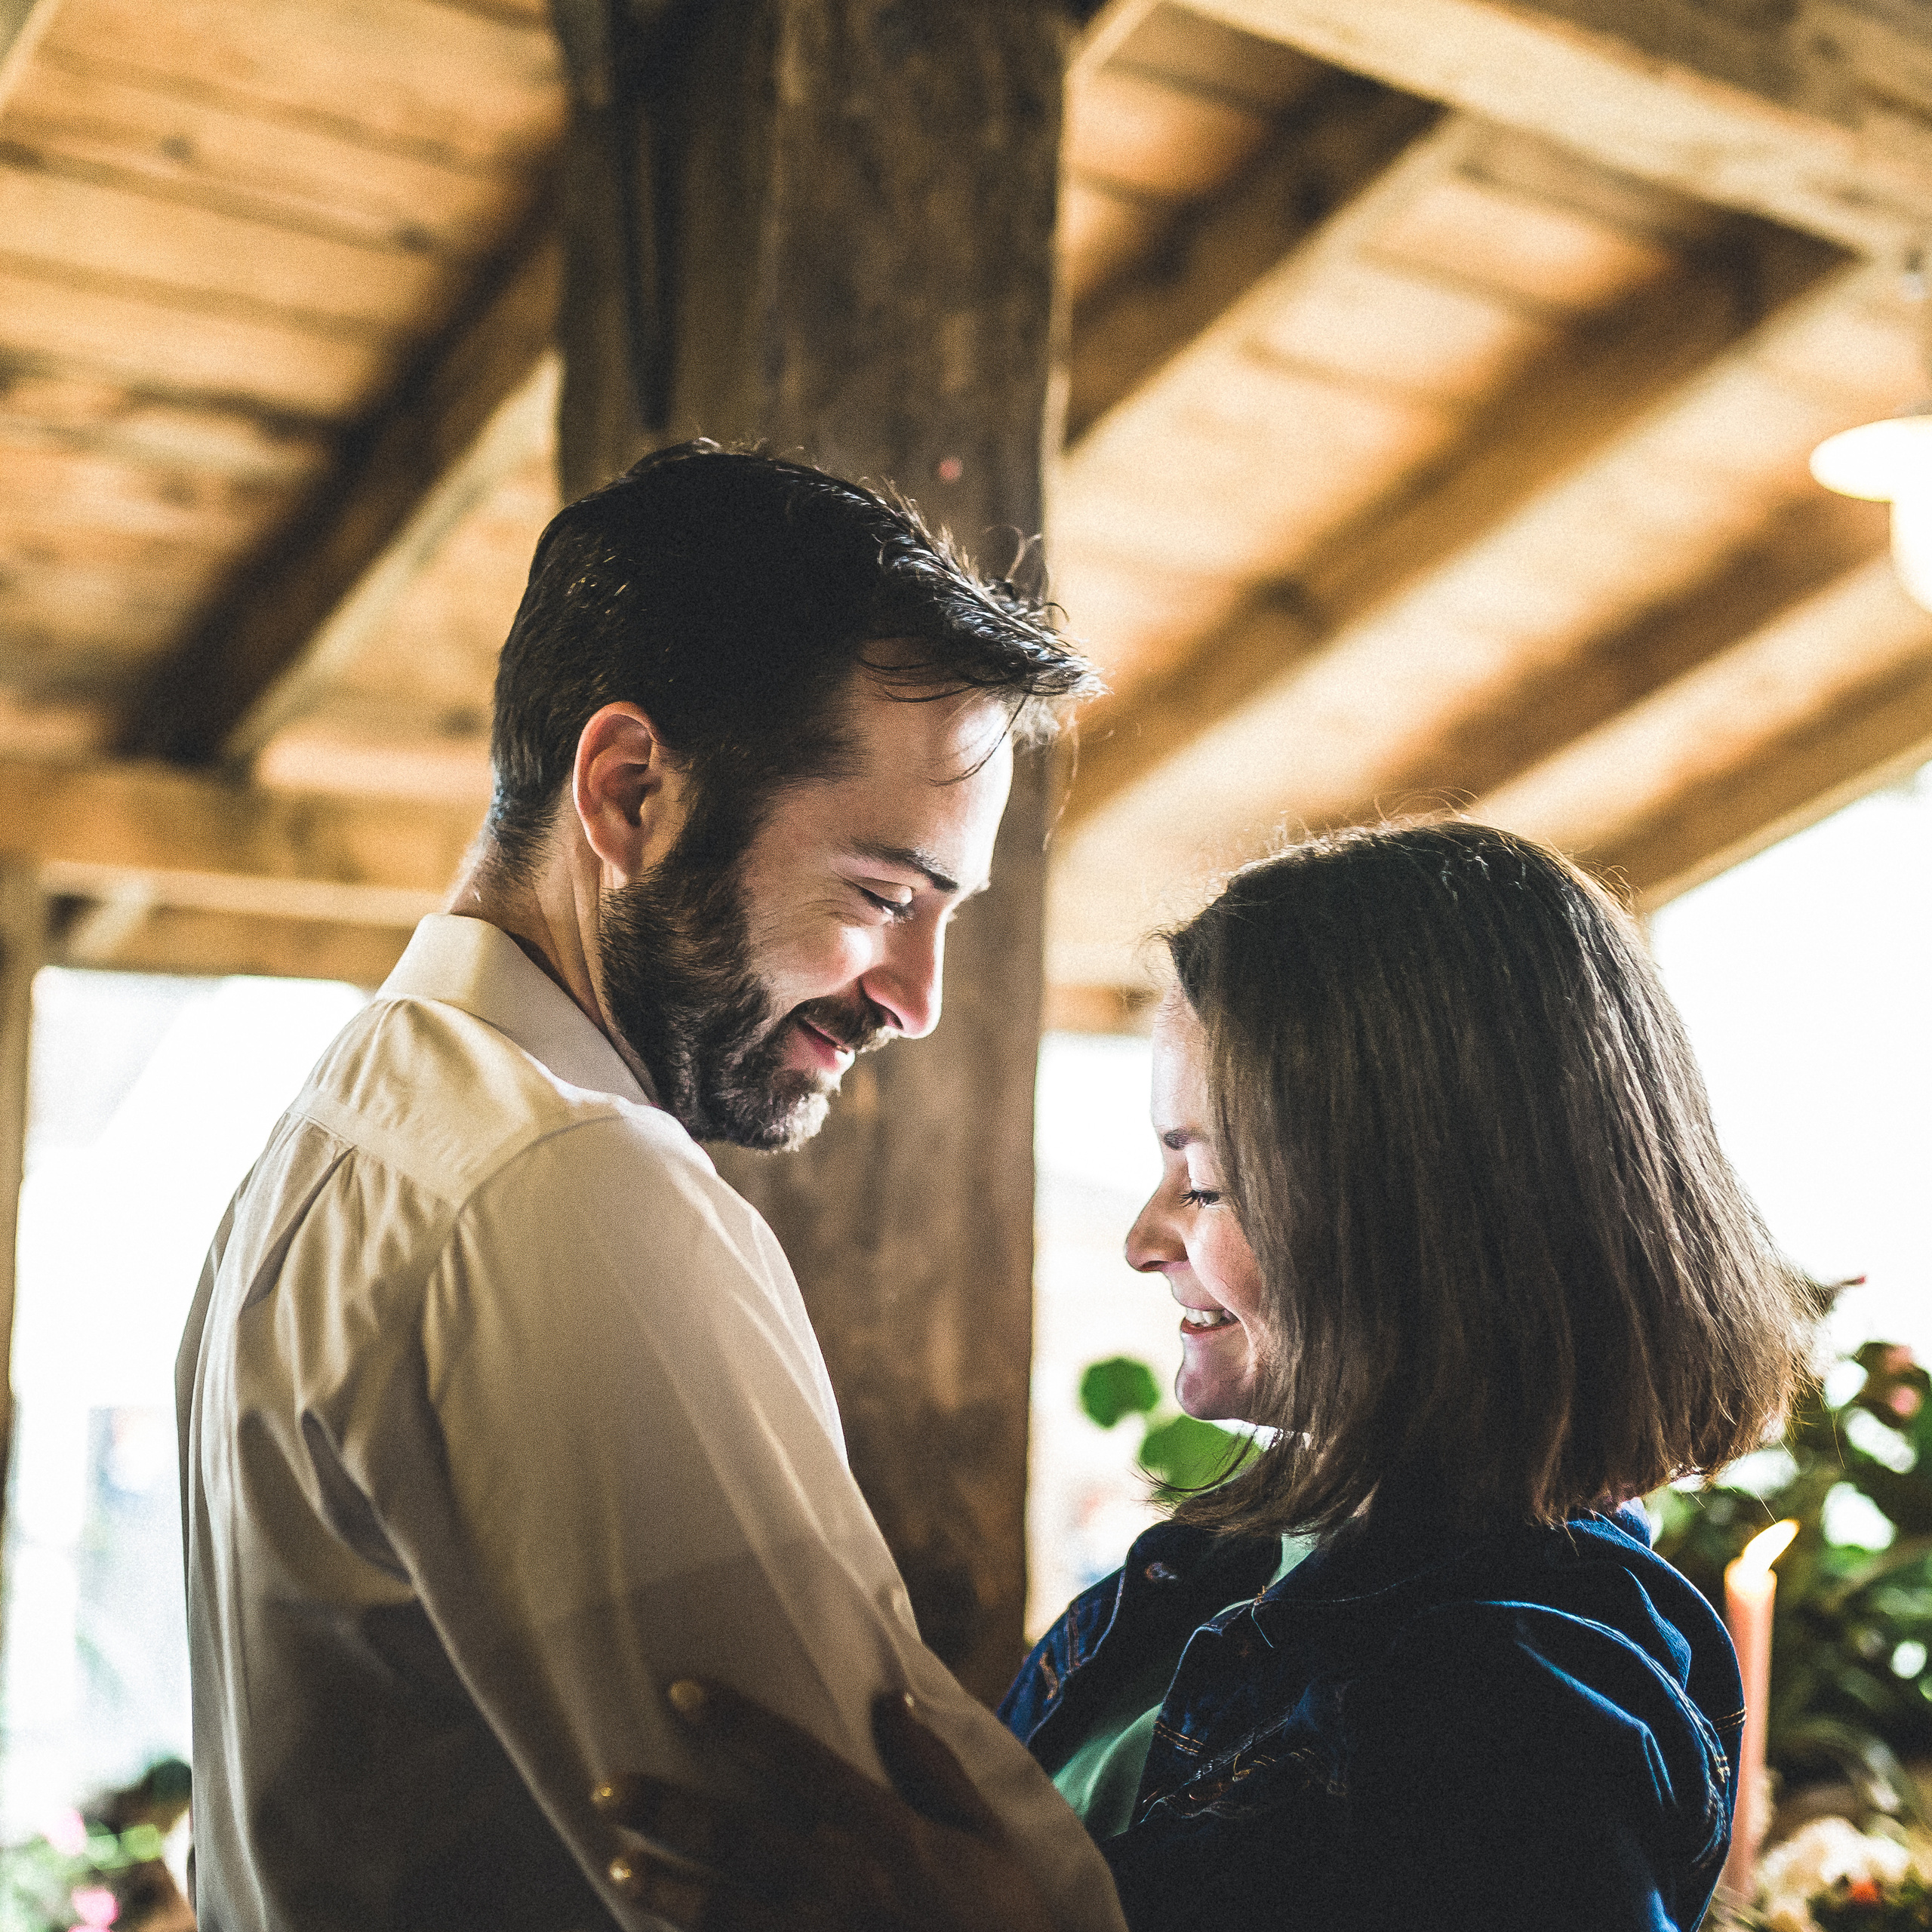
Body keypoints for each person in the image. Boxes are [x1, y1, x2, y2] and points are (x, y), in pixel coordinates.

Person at [174, 444, 1129, 1932]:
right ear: (630, 791)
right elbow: (860, 1863)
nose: (919, 996)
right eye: (884, 893)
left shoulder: (347, 1137)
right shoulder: (562, 1187)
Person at [598, 820, 1814, 1931]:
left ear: (1412, 1211)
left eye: (1205, 1181)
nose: (1143, 1238)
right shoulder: (1213, 1574)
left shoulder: (1519, 1710)